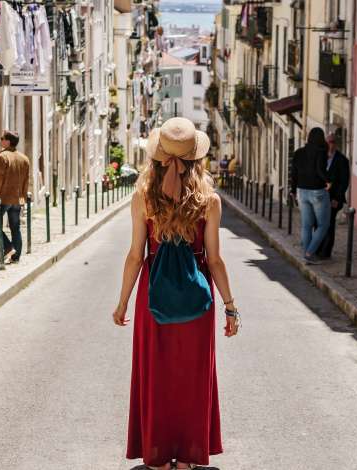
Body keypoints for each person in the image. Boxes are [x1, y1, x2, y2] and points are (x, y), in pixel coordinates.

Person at [113, 117, 239, 470]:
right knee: (192, 378)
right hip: (198, 301)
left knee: (156, 375)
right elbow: (214, 260)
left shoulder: (143, 199)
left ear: (157, 157)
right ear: (197, 161)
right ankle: (186, 456)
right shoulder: (209, 202)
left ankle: (157, 455)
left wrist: (123, 301)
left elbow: (136, 255)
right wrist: (230, 307)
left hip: (153, 300)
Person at [290, 127, 331, 265]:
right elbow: (320, 170)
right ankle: (309, 253)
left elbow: (294, 173)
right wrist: (328, 181)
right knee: (323, 225)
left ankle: (306, 255)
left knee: (306, 225)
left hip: (302, 191)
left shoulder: (298, 153)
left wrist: (293, 190)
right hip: (317, 191)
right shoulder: (321, 152)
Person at [0, 130, 31, 263]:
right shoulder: (24, 159)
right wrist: (22, 200)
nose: (0, 140)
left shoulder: (3, 157)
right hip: (17, 199)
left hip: (3, 198)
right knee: (15, 227)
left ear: (8, 141)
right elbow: (26, 182)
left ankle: (8, 248)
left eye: (2, 138)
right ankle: (15, 257)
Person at [318, 129, 350, 259]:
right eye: (328, 142)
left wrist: (337, 198)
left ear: (336, 144)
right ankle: (318, 248)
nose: (331, 145)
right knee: (318, 223)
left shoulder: (342, 160)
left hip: (333, 199)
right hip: (319, 197)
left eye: (333, 142)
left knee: (329, 223)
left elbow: (344, 181)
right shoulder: (320, 157)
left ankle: (326, 252)